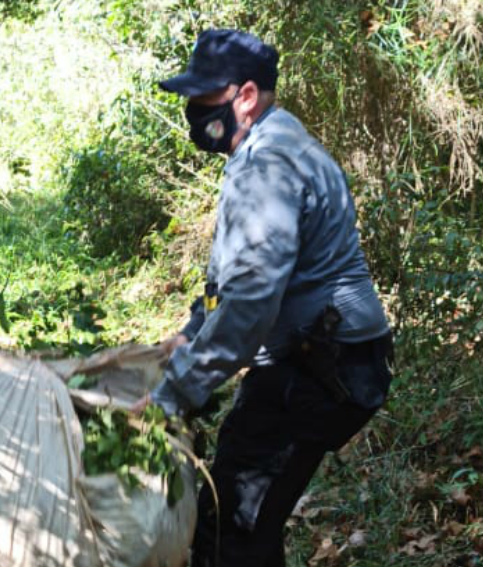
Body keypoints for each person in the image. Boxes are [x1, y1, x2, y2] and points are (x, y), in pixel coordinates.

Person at [133, 29, 394, 566]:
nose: (192, 111)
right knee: (242, 512)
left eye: (203, 99)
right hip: (319, 358)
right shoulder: (268, 145)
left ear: (244, 97)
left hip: (327, 366)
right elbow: (232, 275)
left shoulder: (269, 163)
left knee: (232, 525)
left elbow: (251, 301)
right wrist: (190, 330)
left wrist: (175, 392)